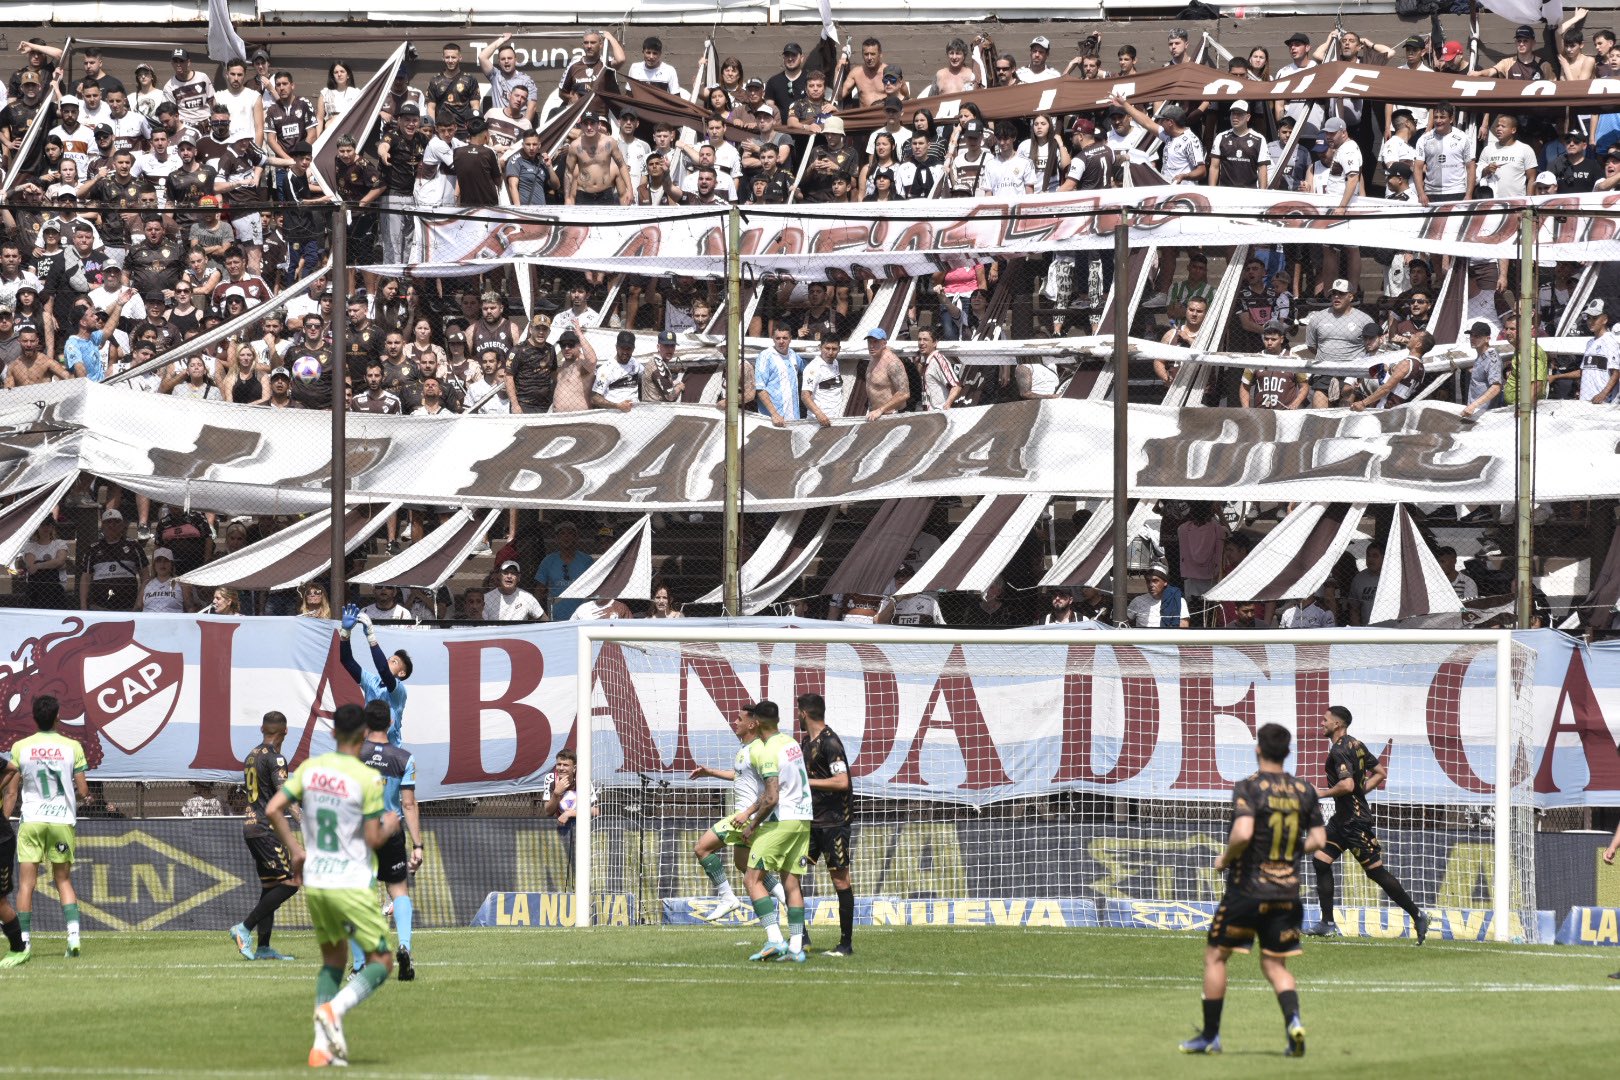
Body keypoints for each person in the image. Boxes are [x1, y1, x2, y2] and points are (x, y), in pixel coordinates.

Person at [264, 703, 400, 1070]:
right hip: (351, 882)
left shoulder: (310, 769)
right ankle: (334, 1008)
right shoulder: (367, 778)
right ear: (362, 736)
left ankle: (320, 1048)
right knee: (383, 960)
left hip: (318, 882)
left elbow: (274, 807)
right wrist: (390, 824)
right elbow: (373, 838)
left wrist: (296, 850)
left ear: (334, 733)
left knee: (333, 961)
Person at [1178, 723, 1325, 1057]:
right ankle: (1294, 1024)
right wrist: (1289, 851)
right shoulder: (1305, 789)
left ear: (1258, 749)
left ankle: (1211, 1036)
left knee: (1216, 956)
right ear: (1288, 753)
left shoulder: (1249, 787)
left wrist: (1224, 858)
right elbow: (1318, 841)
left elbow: (1243, 834)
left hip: (1248, 891)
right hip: (1287, 894)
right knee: (1276, 967)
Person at [1305, 706, 1431, 945]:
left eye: (1325, 720)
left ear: (1337, 725)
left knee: (1375, 872)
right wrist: (1358, 793)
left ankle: (1418, 915)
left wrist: (1321, 793)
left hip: (1354, 822)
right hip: (1342, 819)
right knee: (1320, 861)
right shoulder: (1356, 744)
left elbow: (1348, 785)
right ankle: (1327, 923)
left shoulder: (1340, 750)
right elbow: (1380, 772)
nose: (1321, 723)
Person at [730, 700, 813, 963]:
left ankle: (775, 939)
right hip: (803, 819)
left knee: (751, 880)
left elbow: (771, 796)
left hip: (781, 821)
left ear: (757, 722)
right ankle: (797, 947)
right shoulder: (791, 743)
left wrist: (752, 825)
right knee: (791, 882)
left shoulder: (767, 751)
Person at [11, 695, 90, 962]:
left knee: (25, 885)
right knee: (63, 880)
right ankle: (73, 937)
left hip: (32, 820)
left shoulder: (20, 747)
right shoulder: (73, 747)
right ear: (58, 716)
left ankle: (23, 944)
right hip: (61, 821)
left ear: (34, 717)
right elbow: (83, 789)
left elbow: (11, 785)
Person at [356, 700, 422, 982]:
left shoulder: (353, 756)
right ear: (391, 724)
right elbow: (408, 804)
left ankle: (360, 963)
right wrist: (418, 845)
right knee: (399, 890)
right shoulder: (404, 758)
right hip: (392, 828)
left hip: (361, 831)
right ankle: (404, 946)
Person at [690, 704, 773, 922]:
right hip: (748, 817)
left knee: (702, 848)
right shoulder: (745, 749)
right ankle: (785, 896)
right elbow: (739, 777)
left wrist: (748, 813)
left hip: (747, 818)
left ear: (752, 724)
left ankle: (728, 898)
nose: (735, 722)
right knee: (744, 865)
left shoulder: (757, 749)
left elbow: (772, 786)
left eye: (739, 719)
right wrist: (710, 772)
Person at [229, 711, 300, 963]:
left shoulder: (251, 755)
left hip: (250, 825)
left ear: (262, 729)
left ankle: (264, 947)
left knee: (270, 886)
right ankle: (244, 928)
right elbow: (284, 795)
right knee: (291, 882)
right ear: (286, 731)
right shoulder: (277, 759)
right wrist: (304, 820)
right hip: (266, 827)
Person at [798, 693, 854, 957]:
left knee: (840, 880)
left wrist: (807, 782)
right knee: (790, 874)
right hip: (809, 821)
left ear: (803, 713)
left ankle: (845, 945)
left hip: (833, 822)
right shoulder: (806, 742)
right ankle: (801, 938)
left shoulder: (830, 742)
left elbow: (842, 782)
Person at [339, 605, 411, 746]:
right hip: (368, 747)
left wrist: (371, 636)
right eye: (389, 658)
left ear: (402, 673)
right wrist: (345, 633)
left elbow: (383, 669)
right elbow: (346, 661)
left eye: (394, 661)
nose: (389, 661)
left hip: (391, 751)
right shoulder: (372, 681)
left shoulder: (399, 691)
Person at [542, 749, 599, 876]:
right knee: (561, 869)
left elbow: (596, 810)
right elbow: (547, 811)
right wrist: (556, 794)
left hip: (581, 828)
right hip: (559, 828)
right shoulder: (550, 779)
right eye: (558, 764)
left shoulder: (584, 780)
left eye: (565, 765)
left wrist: (570, 813)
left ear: (574, 768)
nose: (561, 768)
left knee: (581, 867)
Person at [537, 520, 593, 620]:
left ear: (577, 538)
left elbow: (595, 588)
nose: (566, 536)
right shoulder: (548, 561)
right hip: (555, 617)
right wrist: (539, 614)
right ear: (556, 539)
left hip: (583, 617)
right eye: (562, 533)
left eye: (570, 533)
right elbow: (540, 590)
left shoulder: (587, 561)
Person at [1127, 562, 1190, 628]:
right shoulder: (1138, 601)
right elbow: (1123, 622)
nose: (1151, 585)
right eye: (1148, 581)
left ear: (1165, 582)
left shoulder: (1178, 601)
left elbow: (1184, 627)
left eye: (1155, 581)